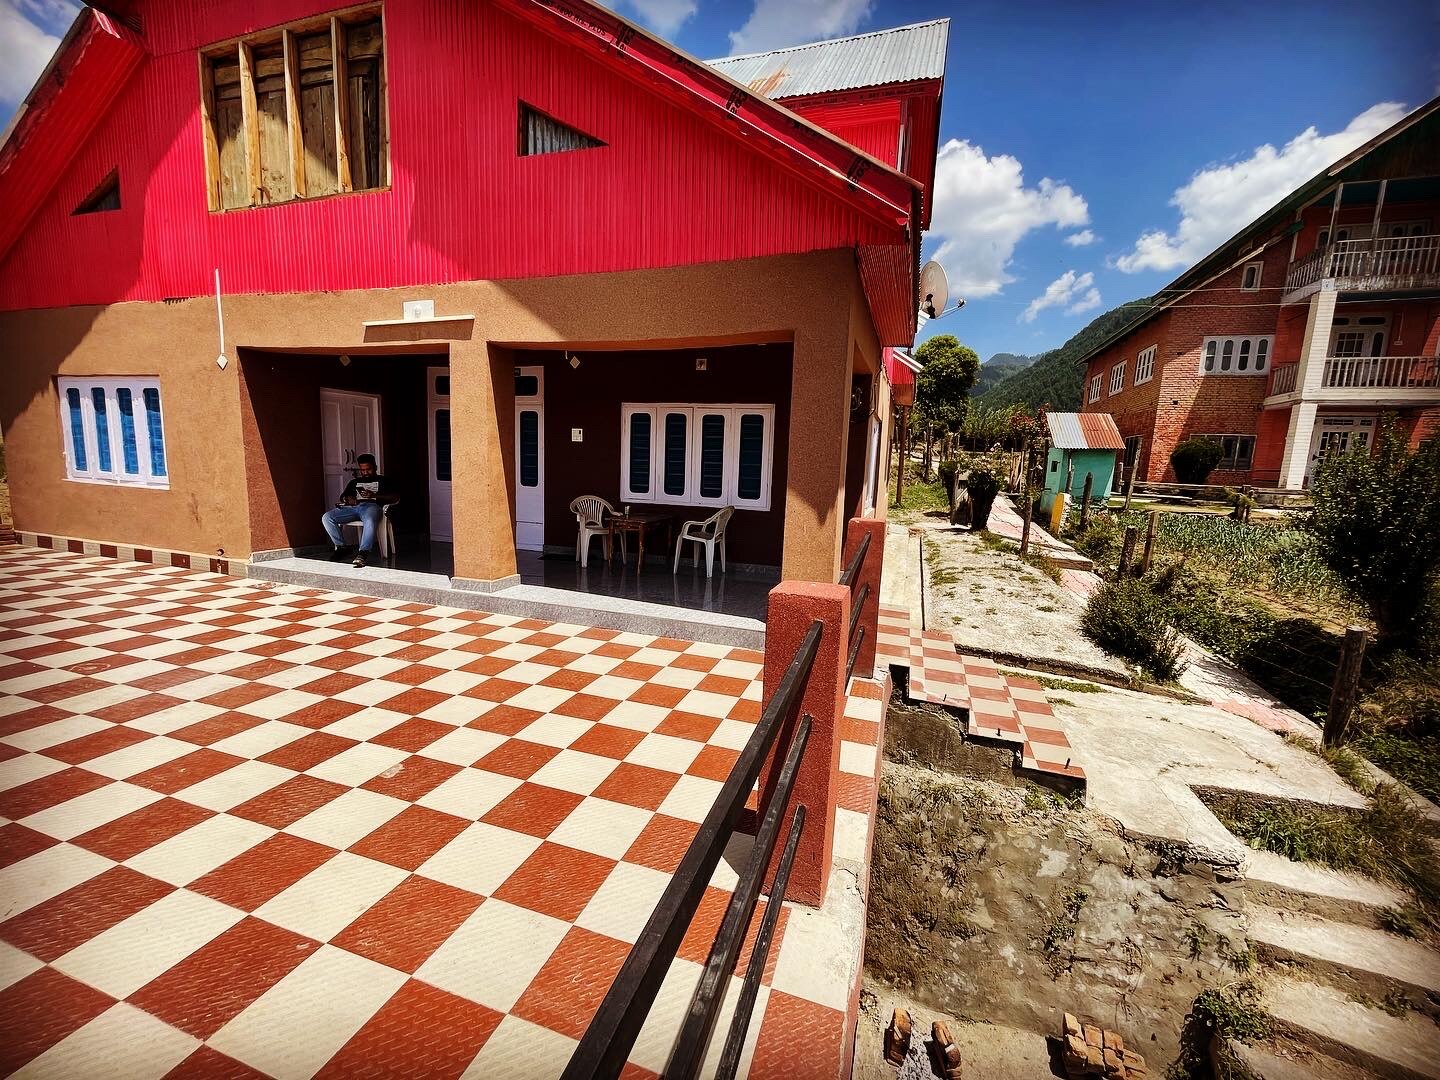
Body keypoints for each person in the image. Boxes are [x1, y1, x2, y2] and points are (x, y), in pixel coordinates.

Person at [322, 454, 395, 567]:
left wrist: (375, 496)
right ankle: (341, 547)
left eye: (368, 469)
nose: (365, 473)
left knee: (369, 518)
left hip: (372, 507)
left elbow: (395, 498)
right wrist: (348, 499)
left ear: (375, 467)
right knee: (327, 517)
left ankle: (363, 553)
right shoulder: (354, 482)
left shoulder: (383, 480)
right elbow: (343, 497)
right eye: (362, 470)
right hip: (354, 508)